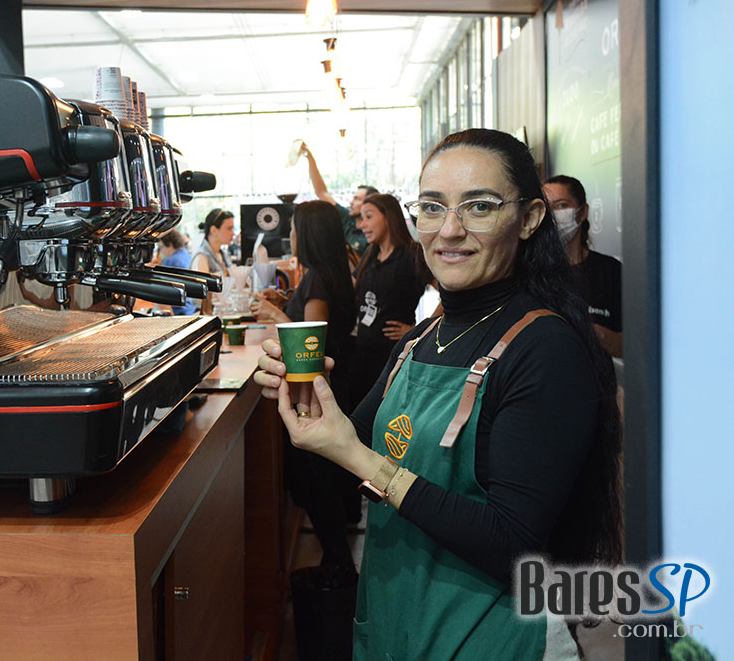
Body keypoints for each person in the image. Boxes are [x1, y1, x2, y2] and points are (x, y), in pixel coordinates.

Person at [254, 129, 622, 660]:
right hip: (398, 622)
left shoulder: (544, 347)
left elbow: (513, 541)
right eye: (432, 207)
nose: (450, 230)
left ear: (530, 218)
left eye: (479, 206)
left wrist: (356, 455)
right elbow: (343, 463)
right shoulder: (421, 337)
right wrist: (312, 401)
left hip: (491, 637)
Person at [250, 200, 358, 573]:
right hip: (338, 384)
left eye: (295, 228)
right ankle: (337, 557)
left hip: (317, 393)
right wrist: (285, 302)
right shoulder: (330, 271)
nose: (291, 234)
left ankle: (337, 566)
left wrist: (276, 315)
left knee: (314, 483)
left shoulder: (316, 277)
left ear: (308, 234)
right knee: (323, 478)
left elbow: (312, 344)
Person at [350, 193, 434, 409]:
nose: (363, 225)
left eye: (368, 217)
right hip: (362, 356)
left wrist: (422, 330)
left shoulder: (412, 254)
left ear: (388, 217)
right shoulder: (370, 255)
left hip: (394, 357)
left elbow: (450, 294)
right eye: (361, 218)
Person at [543, 175, 623, 358]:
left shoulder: (611, 271)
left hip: (598, 382)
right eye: (547, 208)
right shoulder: (531, 272)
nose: (553, 215)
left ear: (582, 211)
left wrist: (594, 332)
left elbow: (632, 345)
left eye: (561, 205)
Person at [299, 141, 377, 260]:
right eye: (352, 198)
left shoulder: (373, 233)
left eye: (357, 199)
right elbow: (321, 192)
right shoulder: (347, 218)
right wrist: (309, 157)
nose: (351, 202)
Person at [190, 208, 234, 314]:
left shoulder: (223, 254)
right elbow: (200, 296)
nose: (233, 233)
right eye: (229, 228)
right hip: (207, 316)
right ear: (214, 230)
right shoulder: (201, 257)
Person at [156, 229, 195, 316]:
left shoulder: (170, 261)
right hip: (190, 308)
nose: (161, 251)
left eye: (161, 247)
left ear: (170, 245)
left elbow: (162, 291)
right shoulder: (187, 255)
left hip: (179, 310)